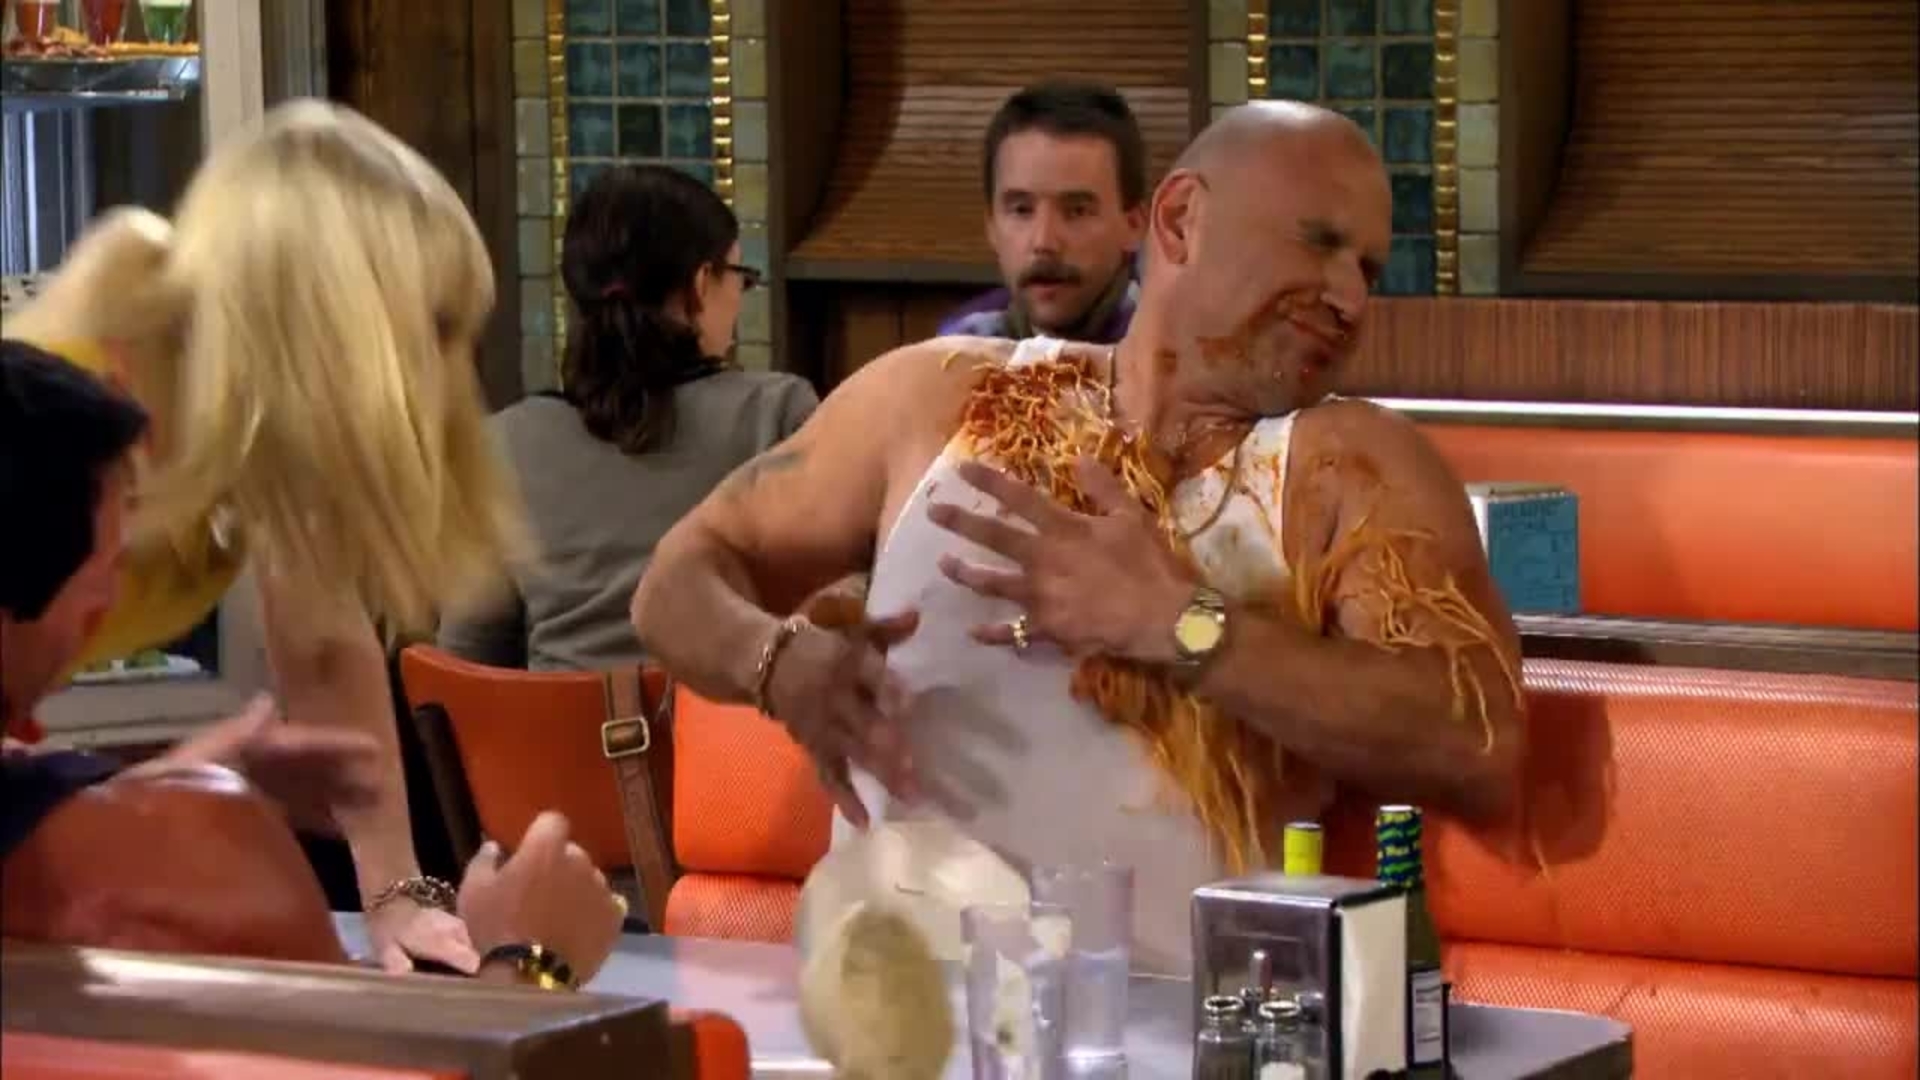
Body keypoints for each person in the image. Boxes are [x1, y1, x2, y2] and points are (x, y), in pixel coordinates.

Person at [631, 101, 1535, 972]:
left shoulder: (1350, 466)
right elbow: (676, 581)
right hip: (886, 1022)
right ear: (1180, 220)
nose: (1349, 297)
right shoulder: (939, 395)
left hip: (1165, 1028)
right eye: (1321, 242)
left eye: (1369, 270)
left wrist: (1185, 626)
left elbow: (1482, 744)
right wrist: (777, 664)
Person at [4, 99, 529, 974]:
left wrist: (399, 900)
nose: (450, 378)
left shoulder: (238, 435)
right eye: (434, 330)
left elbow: (325, 649)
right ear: (328, 332)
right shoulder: (64, 430)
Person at [0, 339, 625, 986]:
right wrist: (533, 959)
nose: (110, 607)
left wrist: (173, 777)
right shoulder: (186, 869)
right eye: (107, 572)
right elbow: (370, 1051)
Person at [437, 164, 816, 671]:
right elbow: (829, 621)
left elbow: (467, 661)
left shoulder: (502, 443)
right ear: (700, 284)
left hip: (552, 724)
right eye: (740, 278)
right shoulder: (778, 414)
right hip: (731, 723)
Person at [936, 80, 1148, 344]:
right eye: (1022, 210)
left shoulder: (1172, 348)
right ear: (991, 227)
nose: (1044, 242)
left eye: (1077, 211)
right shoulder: (964, 343)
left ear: (1133, 225)